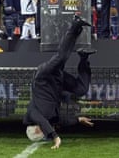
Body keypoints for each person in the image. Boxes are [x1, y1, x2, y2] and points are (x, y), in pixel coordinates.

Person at [23, 16, 96, 149]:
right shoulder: (52, 118)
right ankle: (83, 58)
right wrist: (79, 120)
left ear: (38, 130)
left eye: (43, 132)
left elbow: (42, 121)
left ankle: (75, 25)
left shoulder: (31, 115)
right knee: (81, 89)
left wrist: (54, 137)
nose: (46, 130)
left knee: (61, 57)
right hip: (57, 81)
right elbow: (64, 121)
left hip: (44, 76)